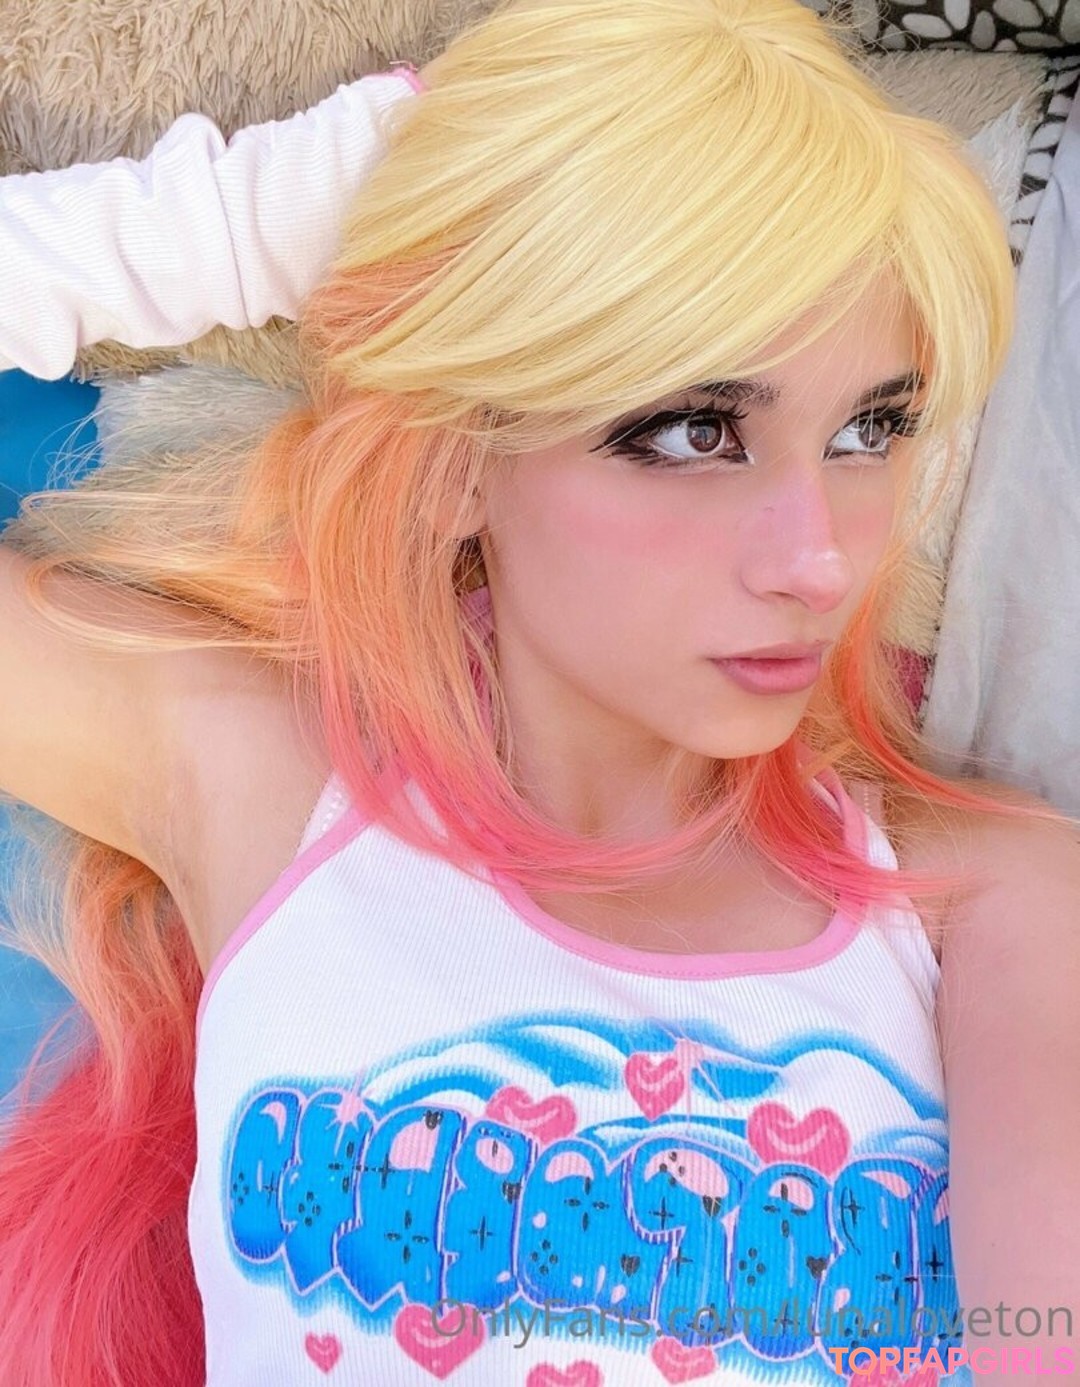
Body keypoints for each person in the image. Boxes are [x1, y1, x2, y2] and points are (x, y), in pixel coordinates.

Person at [0, 0, 1078, 1382]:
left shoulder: (986, 903)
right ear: (455, 457)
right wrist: (261, 219)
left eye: (872, 427)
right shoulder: (256, 782)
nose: (818, 558)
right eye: (693, 432)